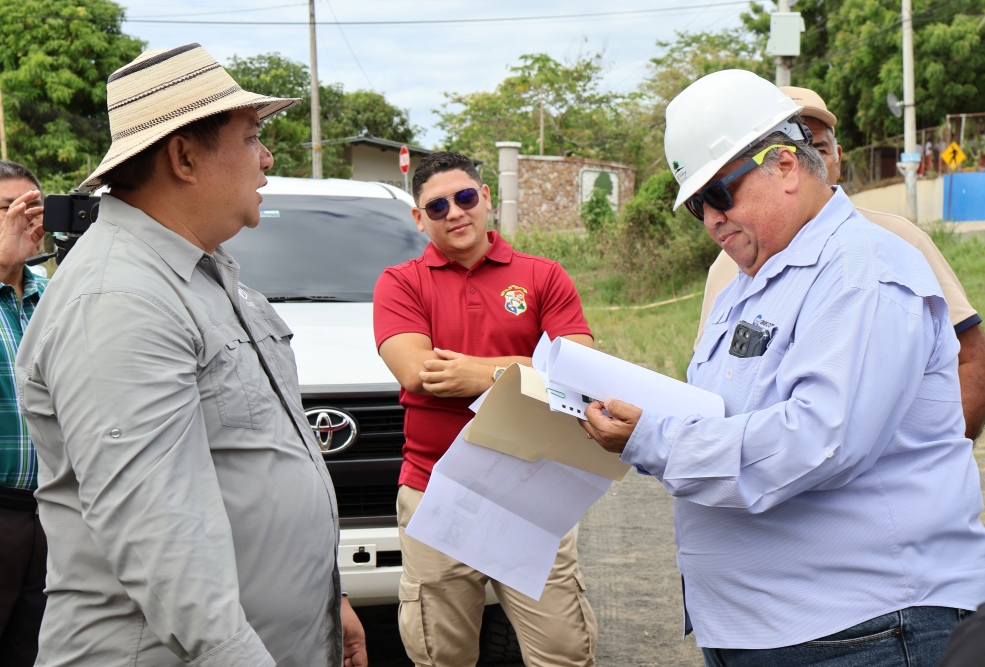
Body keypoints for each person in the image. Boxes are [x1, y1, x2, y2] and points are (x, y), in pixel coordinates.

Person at [581, 70, 985, 666]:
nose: (711, 220)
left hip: (865, 630)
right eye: (697, 205)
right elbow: (723, 417)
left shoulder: (862, 269)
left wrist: (656, 439)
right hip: (771, 631)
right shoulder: (750, 284)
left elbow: (819, 439)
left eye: (718, 194)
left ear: (783, 165)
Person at [14, 44, 366, 667]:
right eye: (251, 137)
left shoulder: (199, 275)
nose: (267, 158)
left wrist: (325, 604)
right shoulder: (119, 298)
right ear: (183, 157)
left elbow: (253, 462)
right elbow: (159, 537)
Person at [374, 151, 598, 667]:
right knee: (442, 655)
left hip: (532, 489)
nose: (455, 212)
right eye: (437, 206)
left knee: (563, 653)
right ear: (419, 218)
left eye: (465, 197)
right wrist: (533, 371)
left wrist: (482, 376)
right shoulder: (401, 282)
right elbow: (418, 371)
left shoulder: (543, 276)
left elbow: (580, 372)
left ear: (487, 197)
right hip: (437, 490)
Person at [694, 86, 985, 441]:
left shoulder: (894, 241)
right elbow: (712, 382)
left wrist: (937, 455)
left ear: (837, 158)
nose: (806, 159)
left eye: (816, 147)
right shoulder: (730, 266)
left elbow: (974, 362)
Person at [0, 161, 48, 667]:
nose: (25, 219)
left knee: (37, 651)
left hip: (50, 513)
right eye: (9, 208)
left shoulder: (54, 297)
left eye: (34, 208)